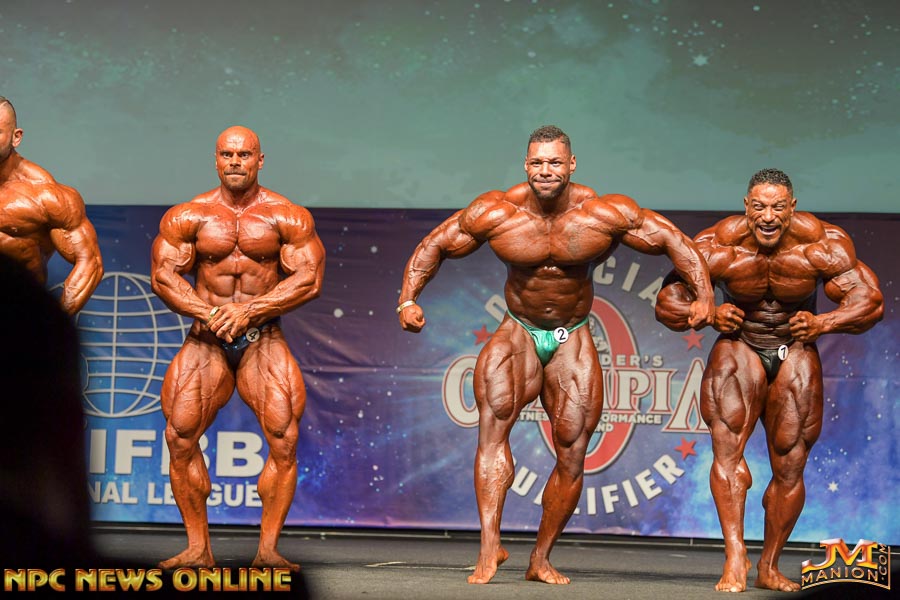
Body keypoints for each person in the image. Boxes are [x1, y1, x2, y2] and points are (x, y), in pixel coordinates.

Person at [397, 125, 715, 584]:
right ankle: (488, 547)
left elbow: (673, 241)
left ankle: (541, 558)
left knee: (572, 452)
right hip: (518, 330)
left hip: (573, 336)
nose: (545, 170)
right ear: (526, 166)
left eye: (554, 162)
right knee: (492, 432)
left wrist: (703, 295)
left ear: (571, 165)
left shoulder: (603, 212)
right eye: (537, 162)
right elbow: (437, 244)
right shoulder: (498, 211)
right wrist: (408, 299)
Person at [655, 168, 884, 593]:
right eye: (759, 206)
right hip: (740, 344)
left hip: (794, 348)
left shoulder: (822, 244)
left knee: (790, 463)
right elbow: (668, 302)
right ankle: (735, 555)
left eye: (778, 207)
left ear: (792, 208)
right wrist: (707, 313)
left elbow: (870, 302)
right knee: (727, 452)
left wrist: (824, 322)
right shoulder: (717, 245)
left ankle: (770, 565)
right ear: (746, 206)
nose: (768, 216)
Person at [150, 126, 325, 571]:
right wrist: (209, 313)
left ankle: (268, 550)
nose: (234, 161)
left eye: (244, 154)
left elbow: (309, 279)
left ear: (259, 160)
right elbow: (164, 277)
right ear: (215, 159)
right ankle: (197, 549)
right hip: (206, 339)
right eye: (227, 154)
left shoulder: (286, 216)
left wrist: (251, 311)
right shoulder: (189, 215)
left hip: (261, 338)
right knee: (179, 436)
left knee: (284, 438)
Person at [0, 96, 103, 314]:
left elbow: (90, 263)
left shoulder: (45, 195)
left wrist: (52, 323)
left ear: (16, 137)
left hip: (15, 314)